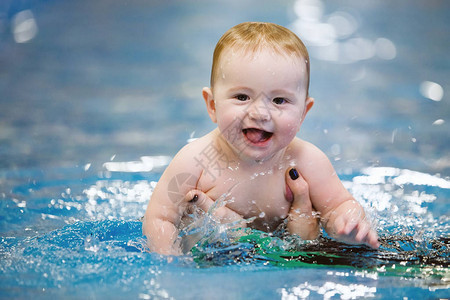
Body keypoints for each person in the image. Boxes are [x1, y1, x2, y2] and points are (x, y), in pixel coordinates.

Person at [143, 22, 379, 255]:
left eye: (279, 100)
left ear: (303, 113)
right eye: (242, 97)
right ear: (213, 105)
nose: (260, 113)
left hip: (288, 258)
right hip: (211, 260)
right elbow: (160, 218)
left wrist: (348, 224)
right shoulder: (195, 162)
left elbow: (338, 206)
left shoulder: (307, 161)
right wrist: (171, 261)